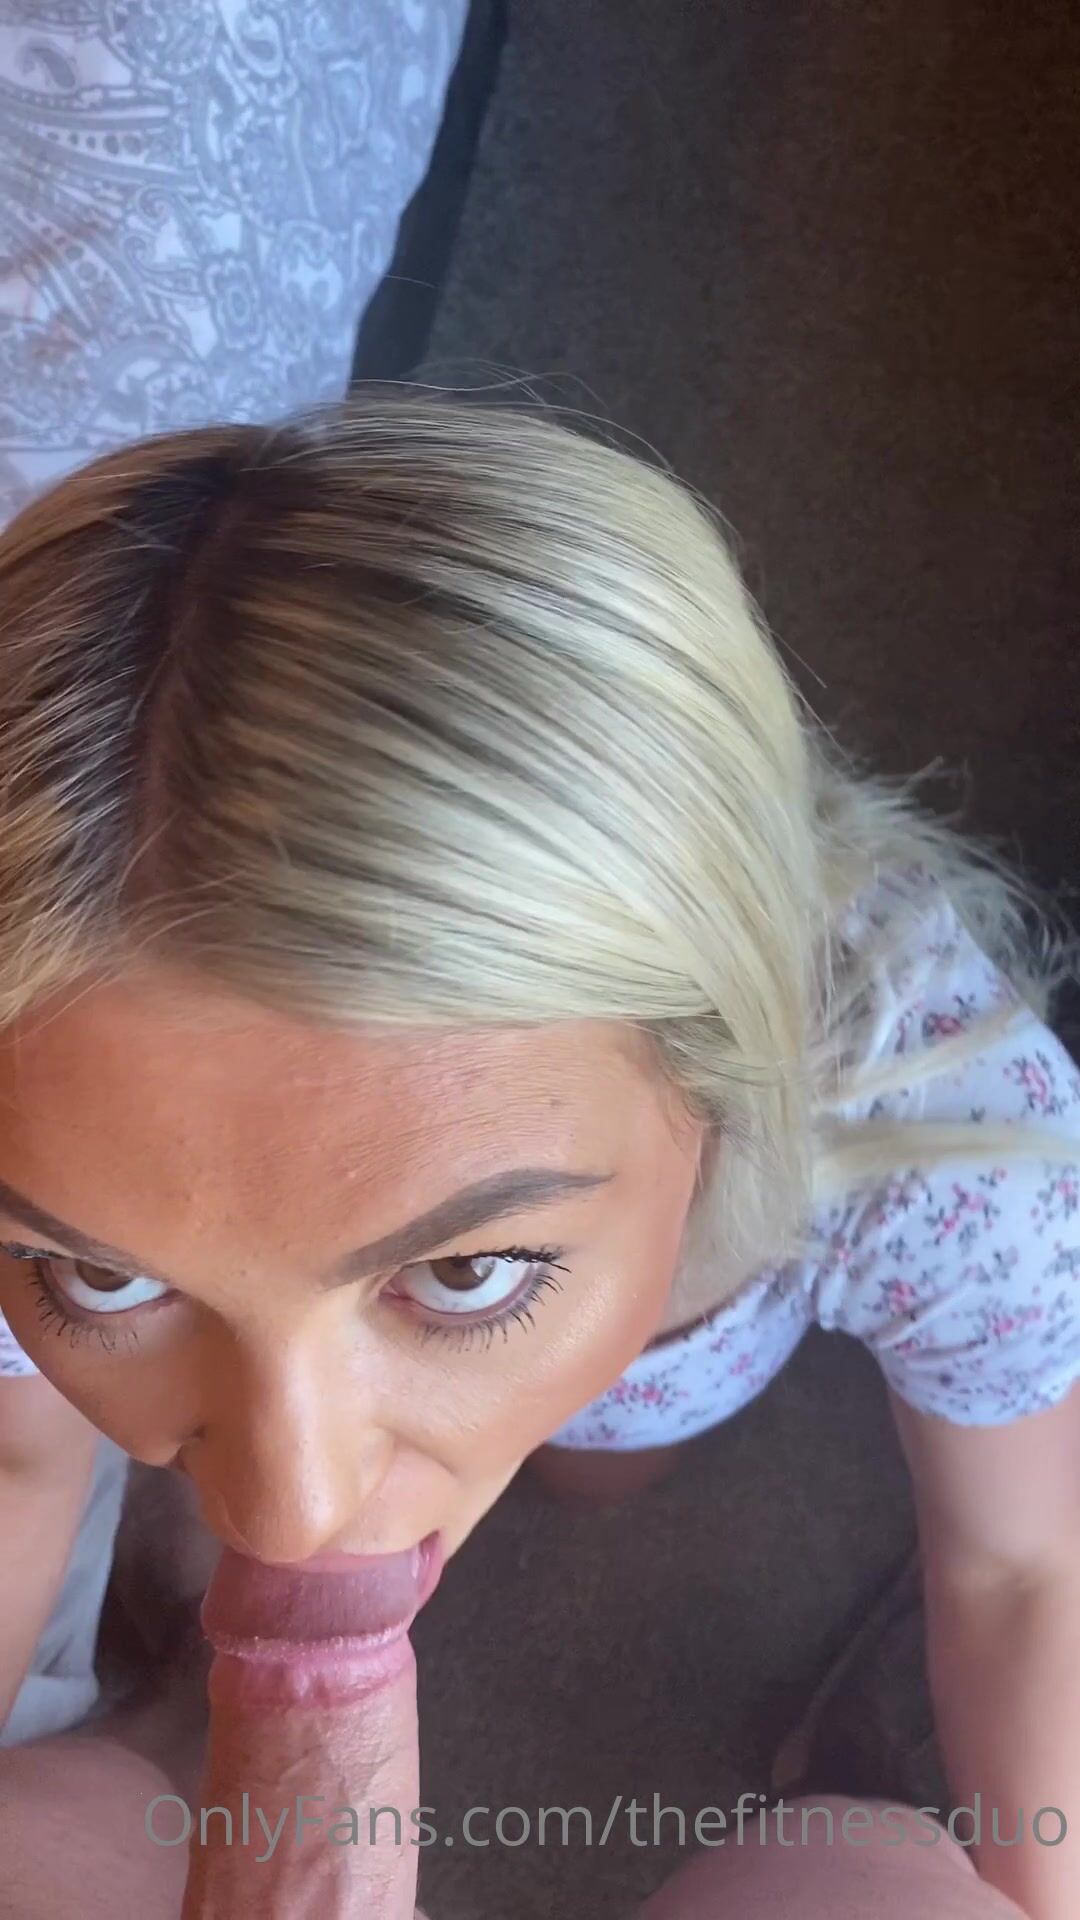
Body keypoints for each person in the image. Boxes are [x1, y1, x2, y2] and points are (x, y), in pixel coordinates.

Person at [0, 396, 1076, 1917]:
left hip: (708, 1319)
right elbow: (14, 1452)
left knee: (601, 1464)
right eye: (99, 1275)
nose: (287, 1513)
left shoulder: (951, 1134)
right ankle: (175, 1726)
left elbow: (1024, 1571)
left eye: (466, 1271)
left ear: (723, 1075)